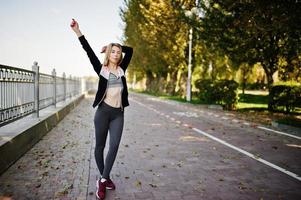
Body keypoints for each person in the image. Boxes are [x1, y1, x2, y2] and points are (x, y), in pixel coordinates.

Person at [70, 18, 133, 200]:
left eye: (117, 52)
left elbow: (131, 51)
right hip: (103, 112)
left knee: (114, 146)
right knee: (100, 146)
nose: (115, 54)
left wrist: (112, 45)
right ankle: (105, 179)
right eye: (112, 52)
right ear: (108, 55)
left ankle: (103, 179)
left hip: (118, 114)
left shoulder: (122, 70)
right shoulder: (102, 69)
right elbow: (88, 50)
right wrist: (78, 32)